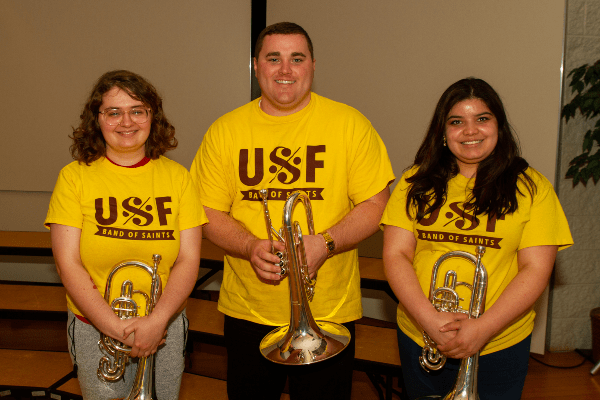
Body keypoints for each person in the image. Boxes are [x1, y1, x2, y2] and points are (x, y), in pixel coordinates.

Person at [190, 22, 395, 400]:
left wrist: (326, 242)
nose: (285, 70)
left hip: (328, 311)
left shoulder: (350, 125)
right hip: (248, 311)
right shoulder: (225, 131)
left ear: (312, 65)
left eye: (296, 58)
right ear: (256, 66)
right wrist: (250, 246)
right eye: (274, 58)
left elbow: (375, 204)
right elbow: (206, 213)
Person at [380, 77, 573, 400]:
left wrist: (483, 328)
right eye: (457, 122)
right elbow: (395, 255)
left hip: (499, 341)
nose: (470, 131)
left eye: (482, 119)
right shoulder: (414, 182)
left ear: (499, 126)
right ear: (442, 132)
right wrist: (430, 321)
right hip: (421, 335)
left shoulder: (532, 187)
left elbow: (535, 270)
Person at [45, 70, 207, 400]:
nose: (126, 122)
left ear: (153, 117)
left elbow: (189, 259)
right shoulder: (74, 178)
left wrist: (156, 322)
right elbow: (68, 264)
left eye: (137, 110)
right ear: (97, 118)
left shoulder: (179, 178)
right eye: (113, 112)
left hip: (164, 326)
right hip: (94, 326)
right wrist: (118, 329)